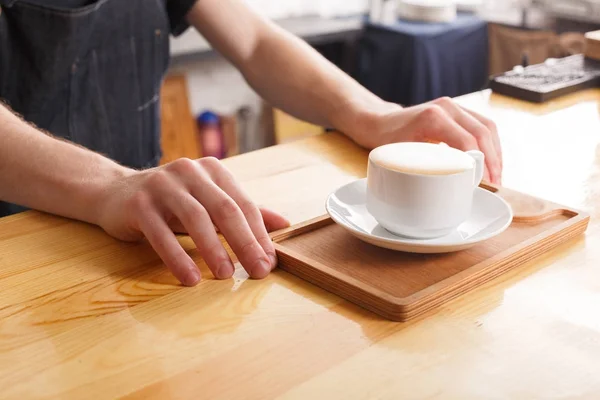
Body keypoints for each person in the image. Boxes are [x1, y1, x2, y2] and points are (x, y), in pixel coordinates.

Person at [0, 0, 503, 286]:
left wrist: (374, 113)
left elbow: (255, 41)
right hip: (20, 253)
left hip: (148, 236)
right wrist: (112, 186)